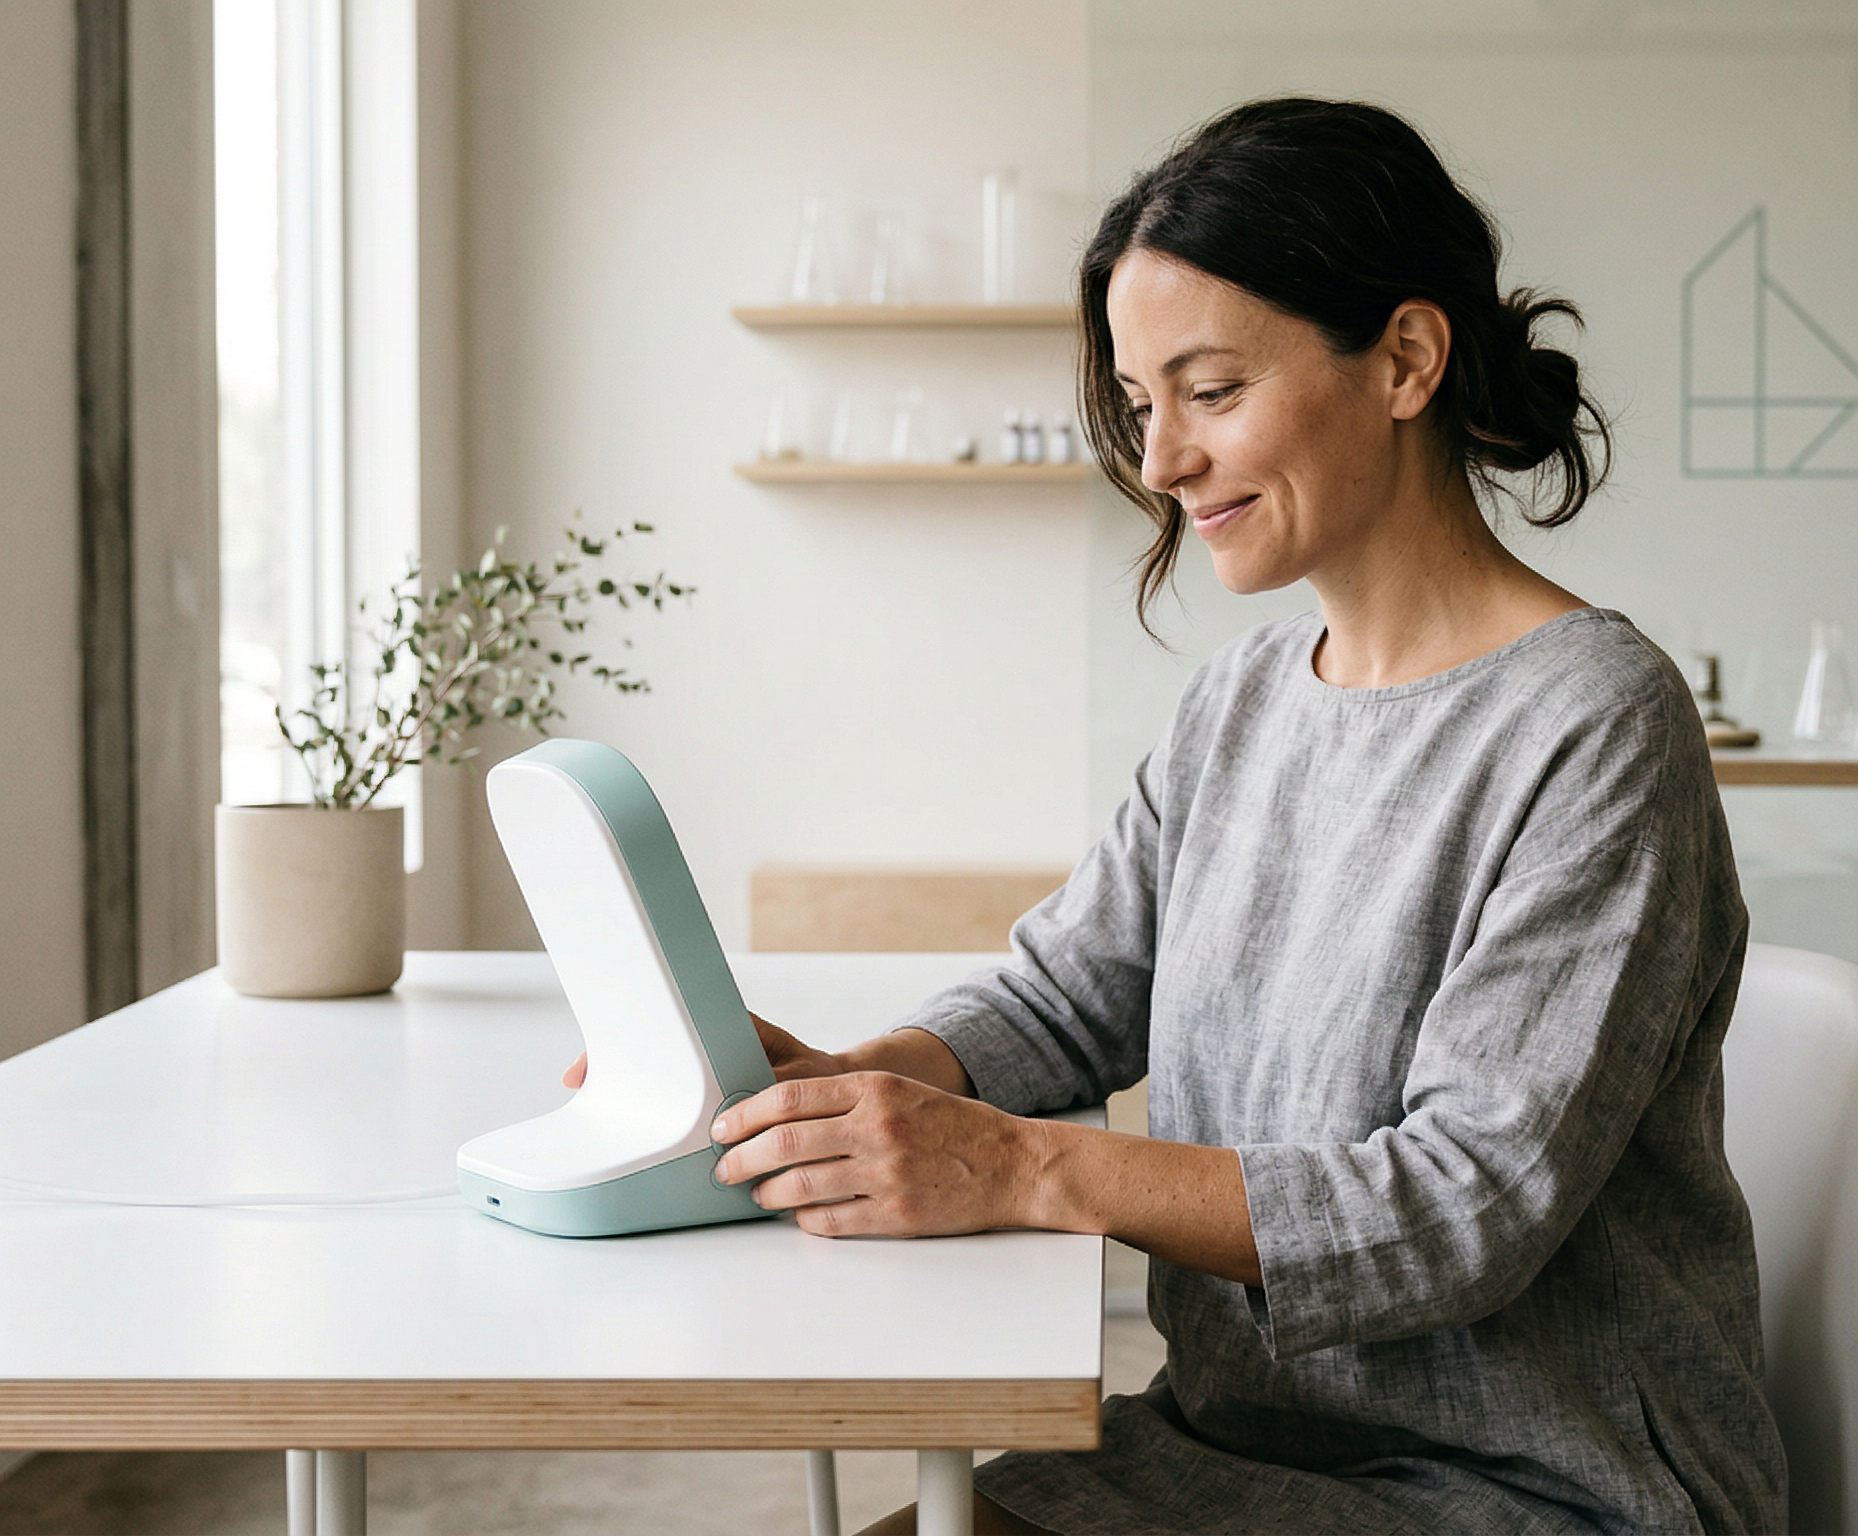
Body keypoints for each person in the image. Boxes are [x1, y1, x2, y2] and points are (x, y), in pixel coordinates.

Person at [595, 97, 1788, 1534]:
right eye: (1140, 405)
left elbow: (1462, 1207)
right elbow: (1065, 1001)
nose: (1161, 463)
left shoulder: (1596, 723)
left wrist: (1019, 1166)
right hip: (1228, 1443)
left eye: (1211, 391)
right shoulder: (1244, 698)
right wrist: (852, 1090)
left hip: (1534, 1488)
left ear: (1406, 359)